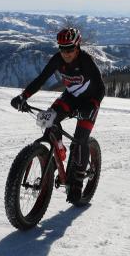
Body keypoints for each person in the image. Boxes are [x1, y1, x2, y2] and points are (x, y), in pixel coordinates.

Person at [11, 27, 105, 203]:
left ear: (77, 47)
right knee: (50, 121)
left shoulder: (86, 61)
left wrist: (92, 106)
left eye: (69, 49)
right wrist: (23, 97)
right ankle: (57, 154)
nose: (66, 53)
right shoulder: (57, 59)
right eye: (62, 48)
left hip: (89, 102)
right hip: (70, 98)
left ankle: (77, 182)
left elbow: (101, 87)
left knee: (80, 140)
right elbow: (41, 79)